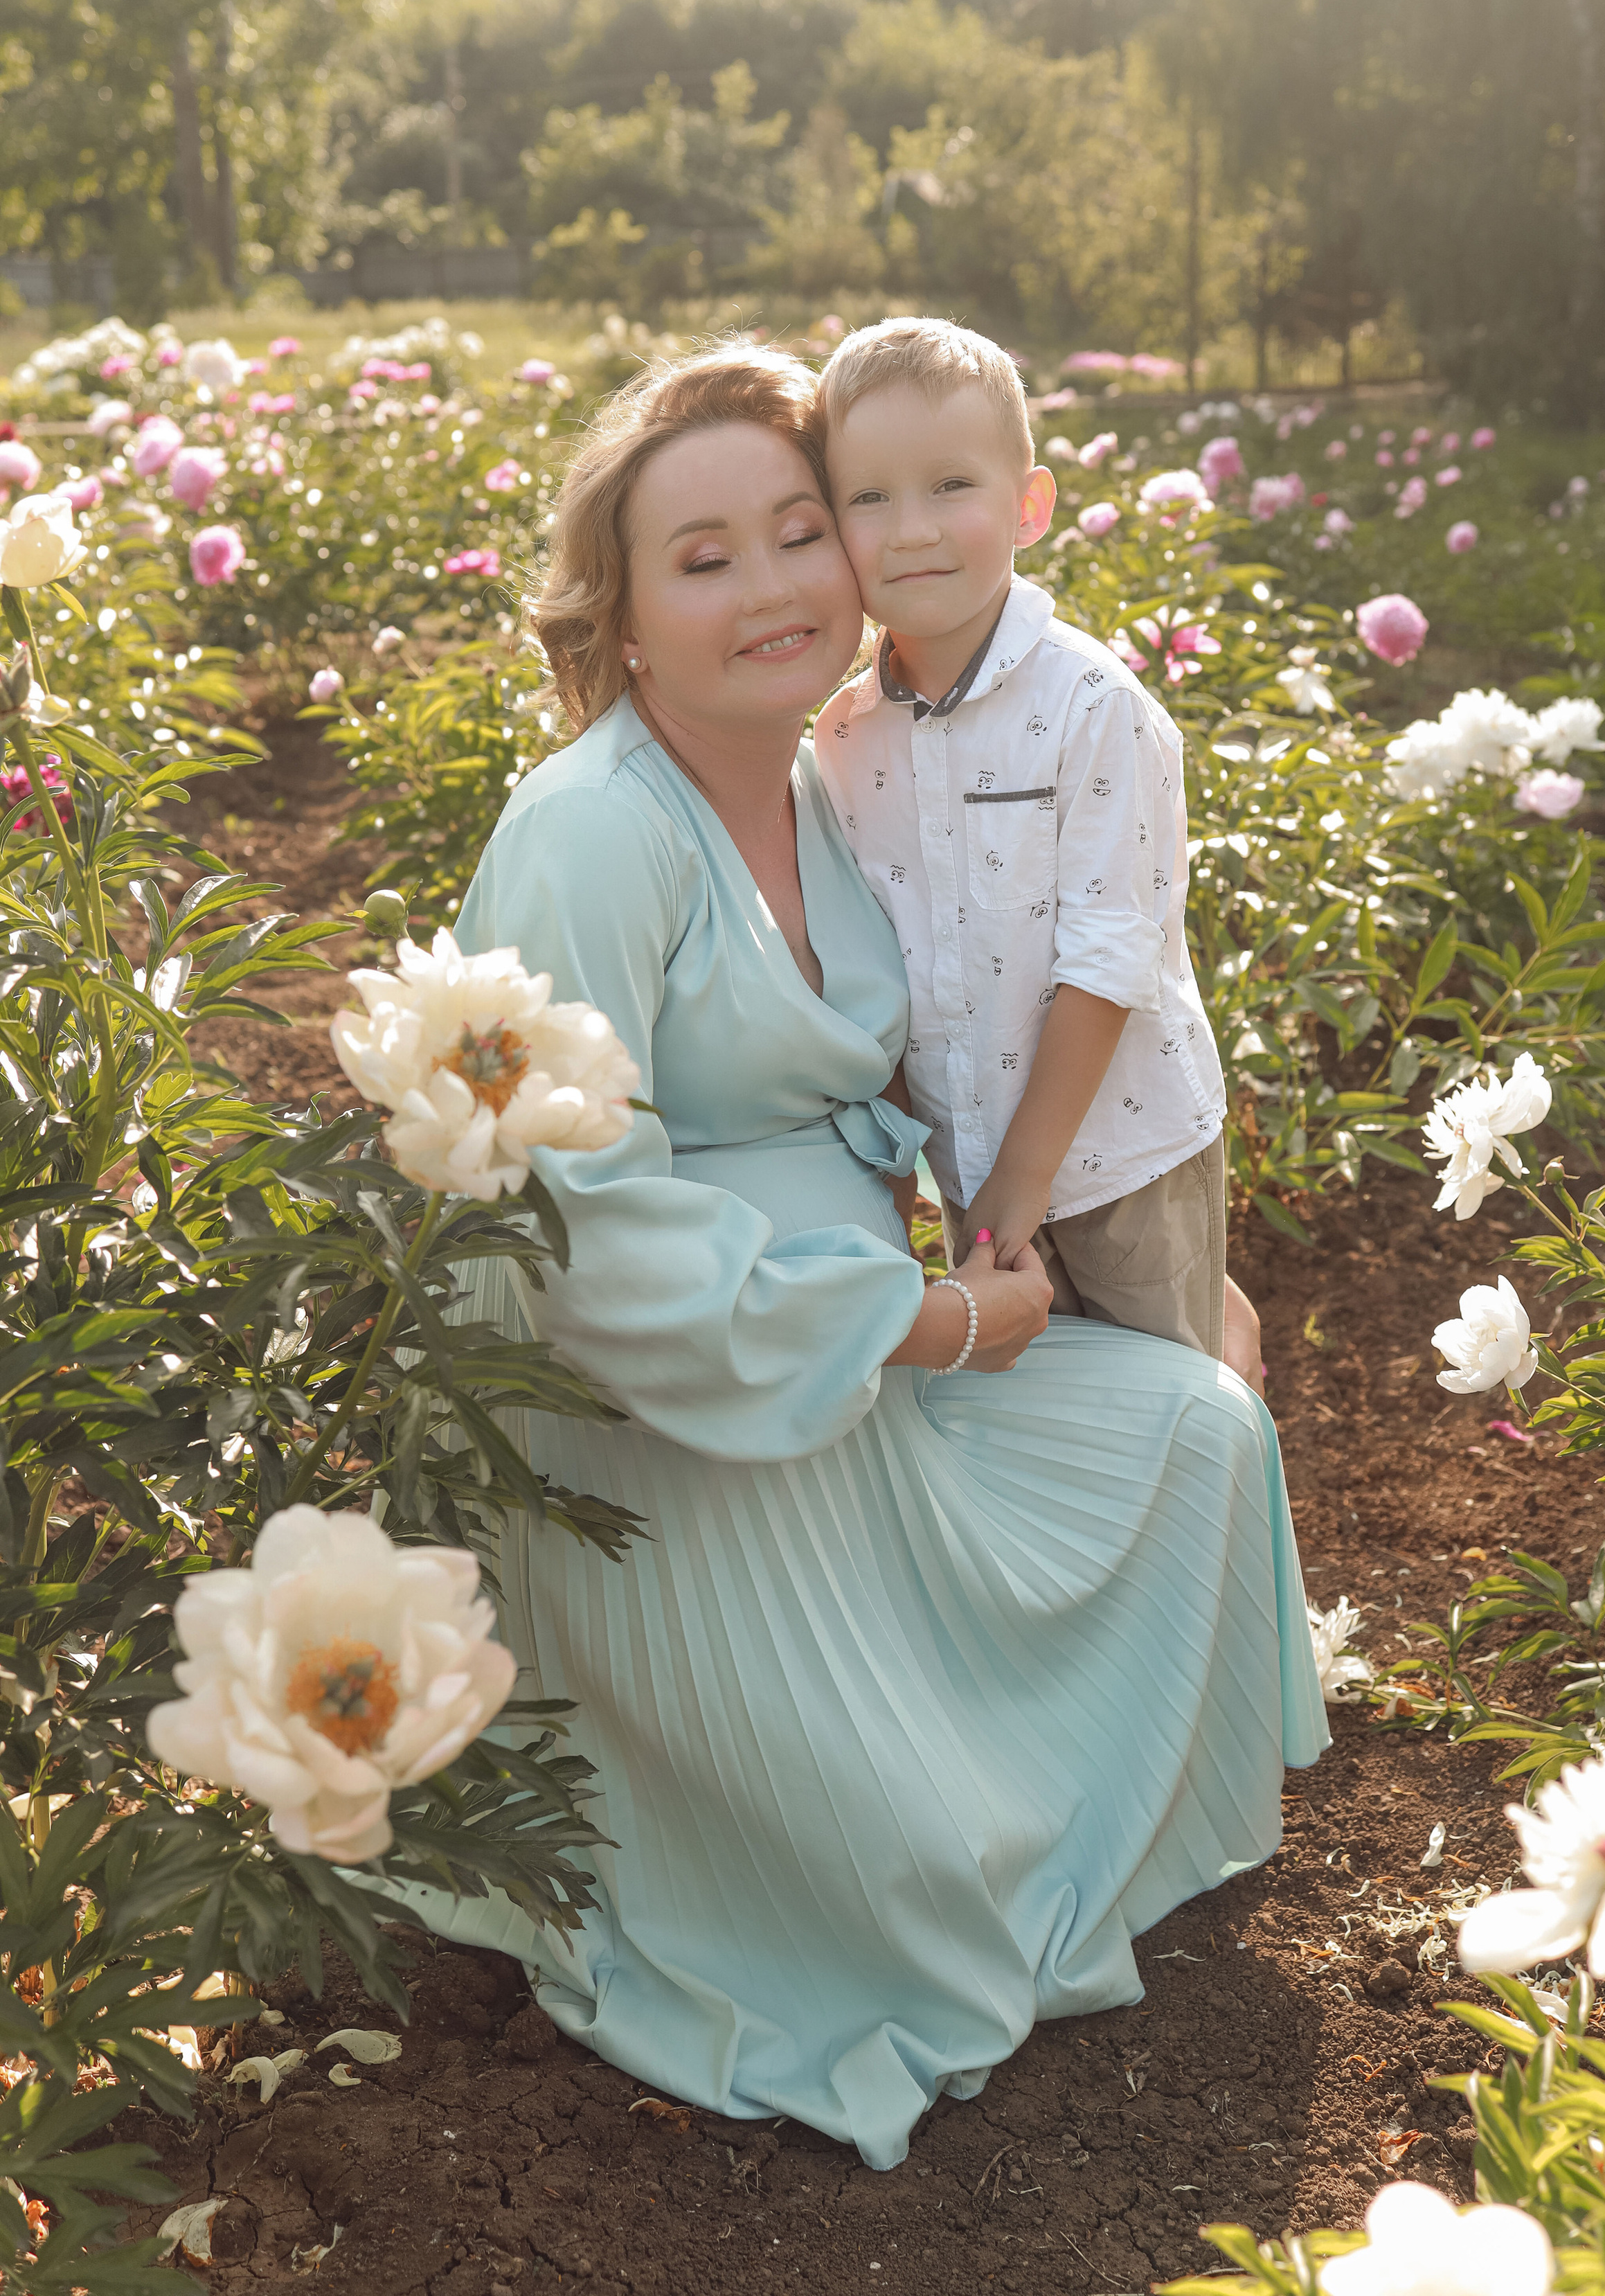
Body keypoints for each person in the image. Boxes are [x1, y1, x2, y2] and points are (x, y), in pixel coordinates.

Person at [391, 343, 1328, 2173]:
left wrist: (972, 1262)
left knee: (1202, 1433)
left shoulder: (821, 776)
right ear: (627, 612)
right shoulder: (587, 833)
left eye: (796, 533)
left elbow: (893, 1070)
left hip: (872, 1347)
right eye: (705, 555)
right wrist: (920, 1318)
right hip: (666, 1410)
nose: (775, 587)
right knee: (903, 1879)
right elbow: (569, 1230)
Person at [813, 316, 1258, 1372]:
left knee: (1177, 1401)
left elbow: (1111, 958)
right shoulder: (842, 735)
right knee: (1034, 1421)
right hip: (966, 1168)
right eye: (868, 498)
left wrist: (1026, 1176)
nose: (911, 528)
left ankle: (1223, 1529)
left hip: (1123, 1153)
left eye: (950, 486)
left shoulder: (1093, 707)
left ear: (1029, 506)